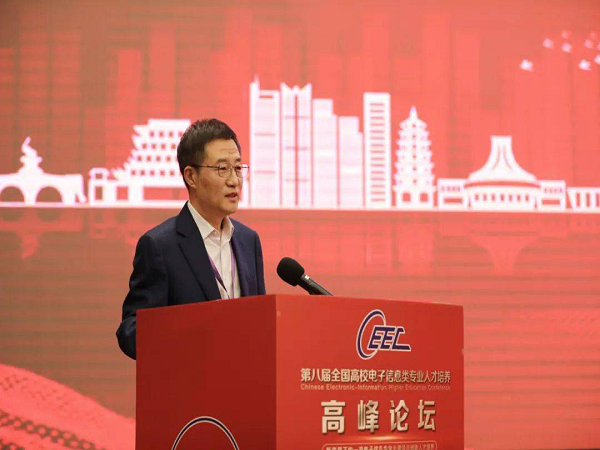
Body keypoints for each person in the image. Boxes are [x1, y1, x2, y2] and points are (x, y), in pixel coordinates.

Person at [116, 118, 266, 359]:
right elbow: (130, 332)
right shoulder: (160, 246)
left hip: (241, 377)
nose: (234, 180)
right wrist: (189, 337)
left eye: (238, 168)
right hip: (189, 378)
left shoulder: (249, 241)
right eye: (222, 169)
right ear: (191, 176)